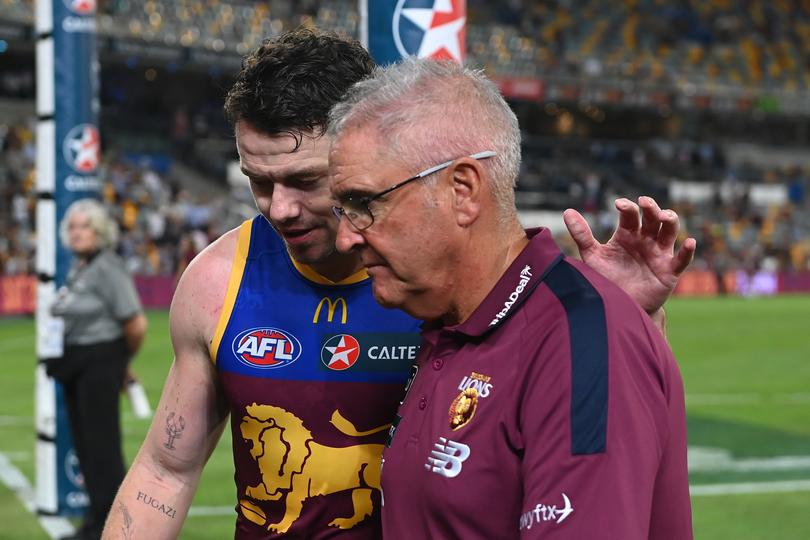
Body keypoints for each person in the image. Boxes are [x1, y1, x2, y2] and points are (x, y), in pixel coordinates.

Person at [102, 29, 694, 540]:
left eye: (319, 184)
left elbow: (588, 396)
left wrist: (613, 316)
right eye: (257, 182)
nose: (278, 209)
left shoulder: (446, 291)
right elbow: (164, 470)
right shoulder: (220, 281)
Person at [327, 58, 693, 539]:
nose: (344, 238)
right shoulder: (451, 325)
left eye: (363, 204)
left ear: (462, 190)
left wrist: (607, 321)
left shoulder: (576, 339)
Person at [48, 198, 148, 540]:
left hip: (99, 365)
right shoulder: (81, 267)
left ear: (100, 231)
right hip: (79, 368)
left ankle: (112, 527)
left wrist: (121, 363)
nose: (77, 233)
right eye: (72, 227)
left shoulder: (107, 266)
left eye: (85, 226)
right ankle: (96, 523)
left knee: (102, 450)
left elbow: (135, 323)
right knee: (88, 449)